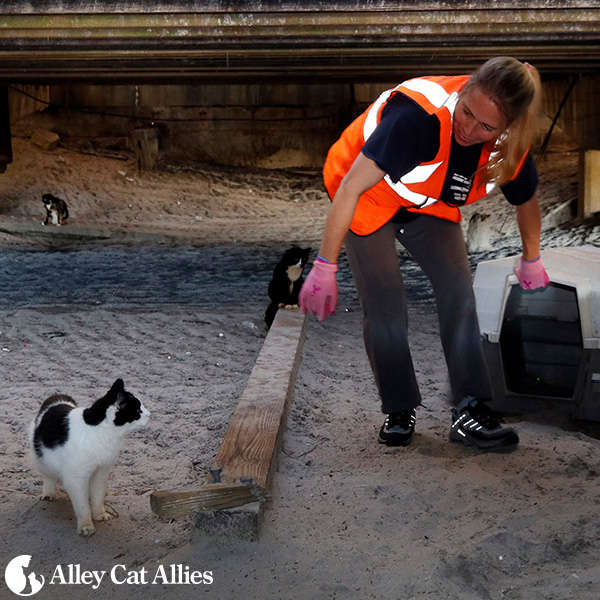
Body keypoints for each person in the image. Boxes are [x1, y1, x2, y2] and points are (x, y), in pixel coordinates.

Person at [299, 57, 550, 451]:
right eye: (466, 112)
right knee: (385, 301)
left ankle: (470, 408)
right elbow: (350, 188)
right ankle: (399, 408)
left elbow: (526, 197)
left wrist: (531, 256)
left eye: (485, 126)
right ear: (463, 90)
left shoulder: (508, 144)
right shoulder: (415, 118)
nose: (469, 129)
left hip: (424, 199)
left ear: (508, 128)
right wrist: (324, 264)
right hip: (365, 193)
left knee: (457, 287)